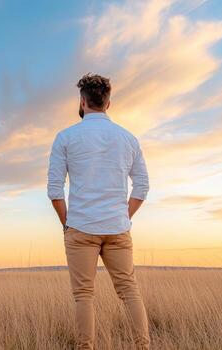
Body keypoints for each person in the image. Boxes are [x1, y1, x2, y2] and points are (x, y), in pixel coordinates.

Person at [47, 73, 150, 349]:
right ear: (108, 103)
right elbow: (142, 186)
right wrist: (123, 215)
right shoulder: (128, 139)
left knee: (83, 295)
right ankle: (143, 345)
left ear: (82, 102)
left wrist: (67, 224)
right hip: (117, 228)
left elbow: (55, 190)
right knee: (129, 291)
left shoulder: (66, 137)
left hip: (81, 227)